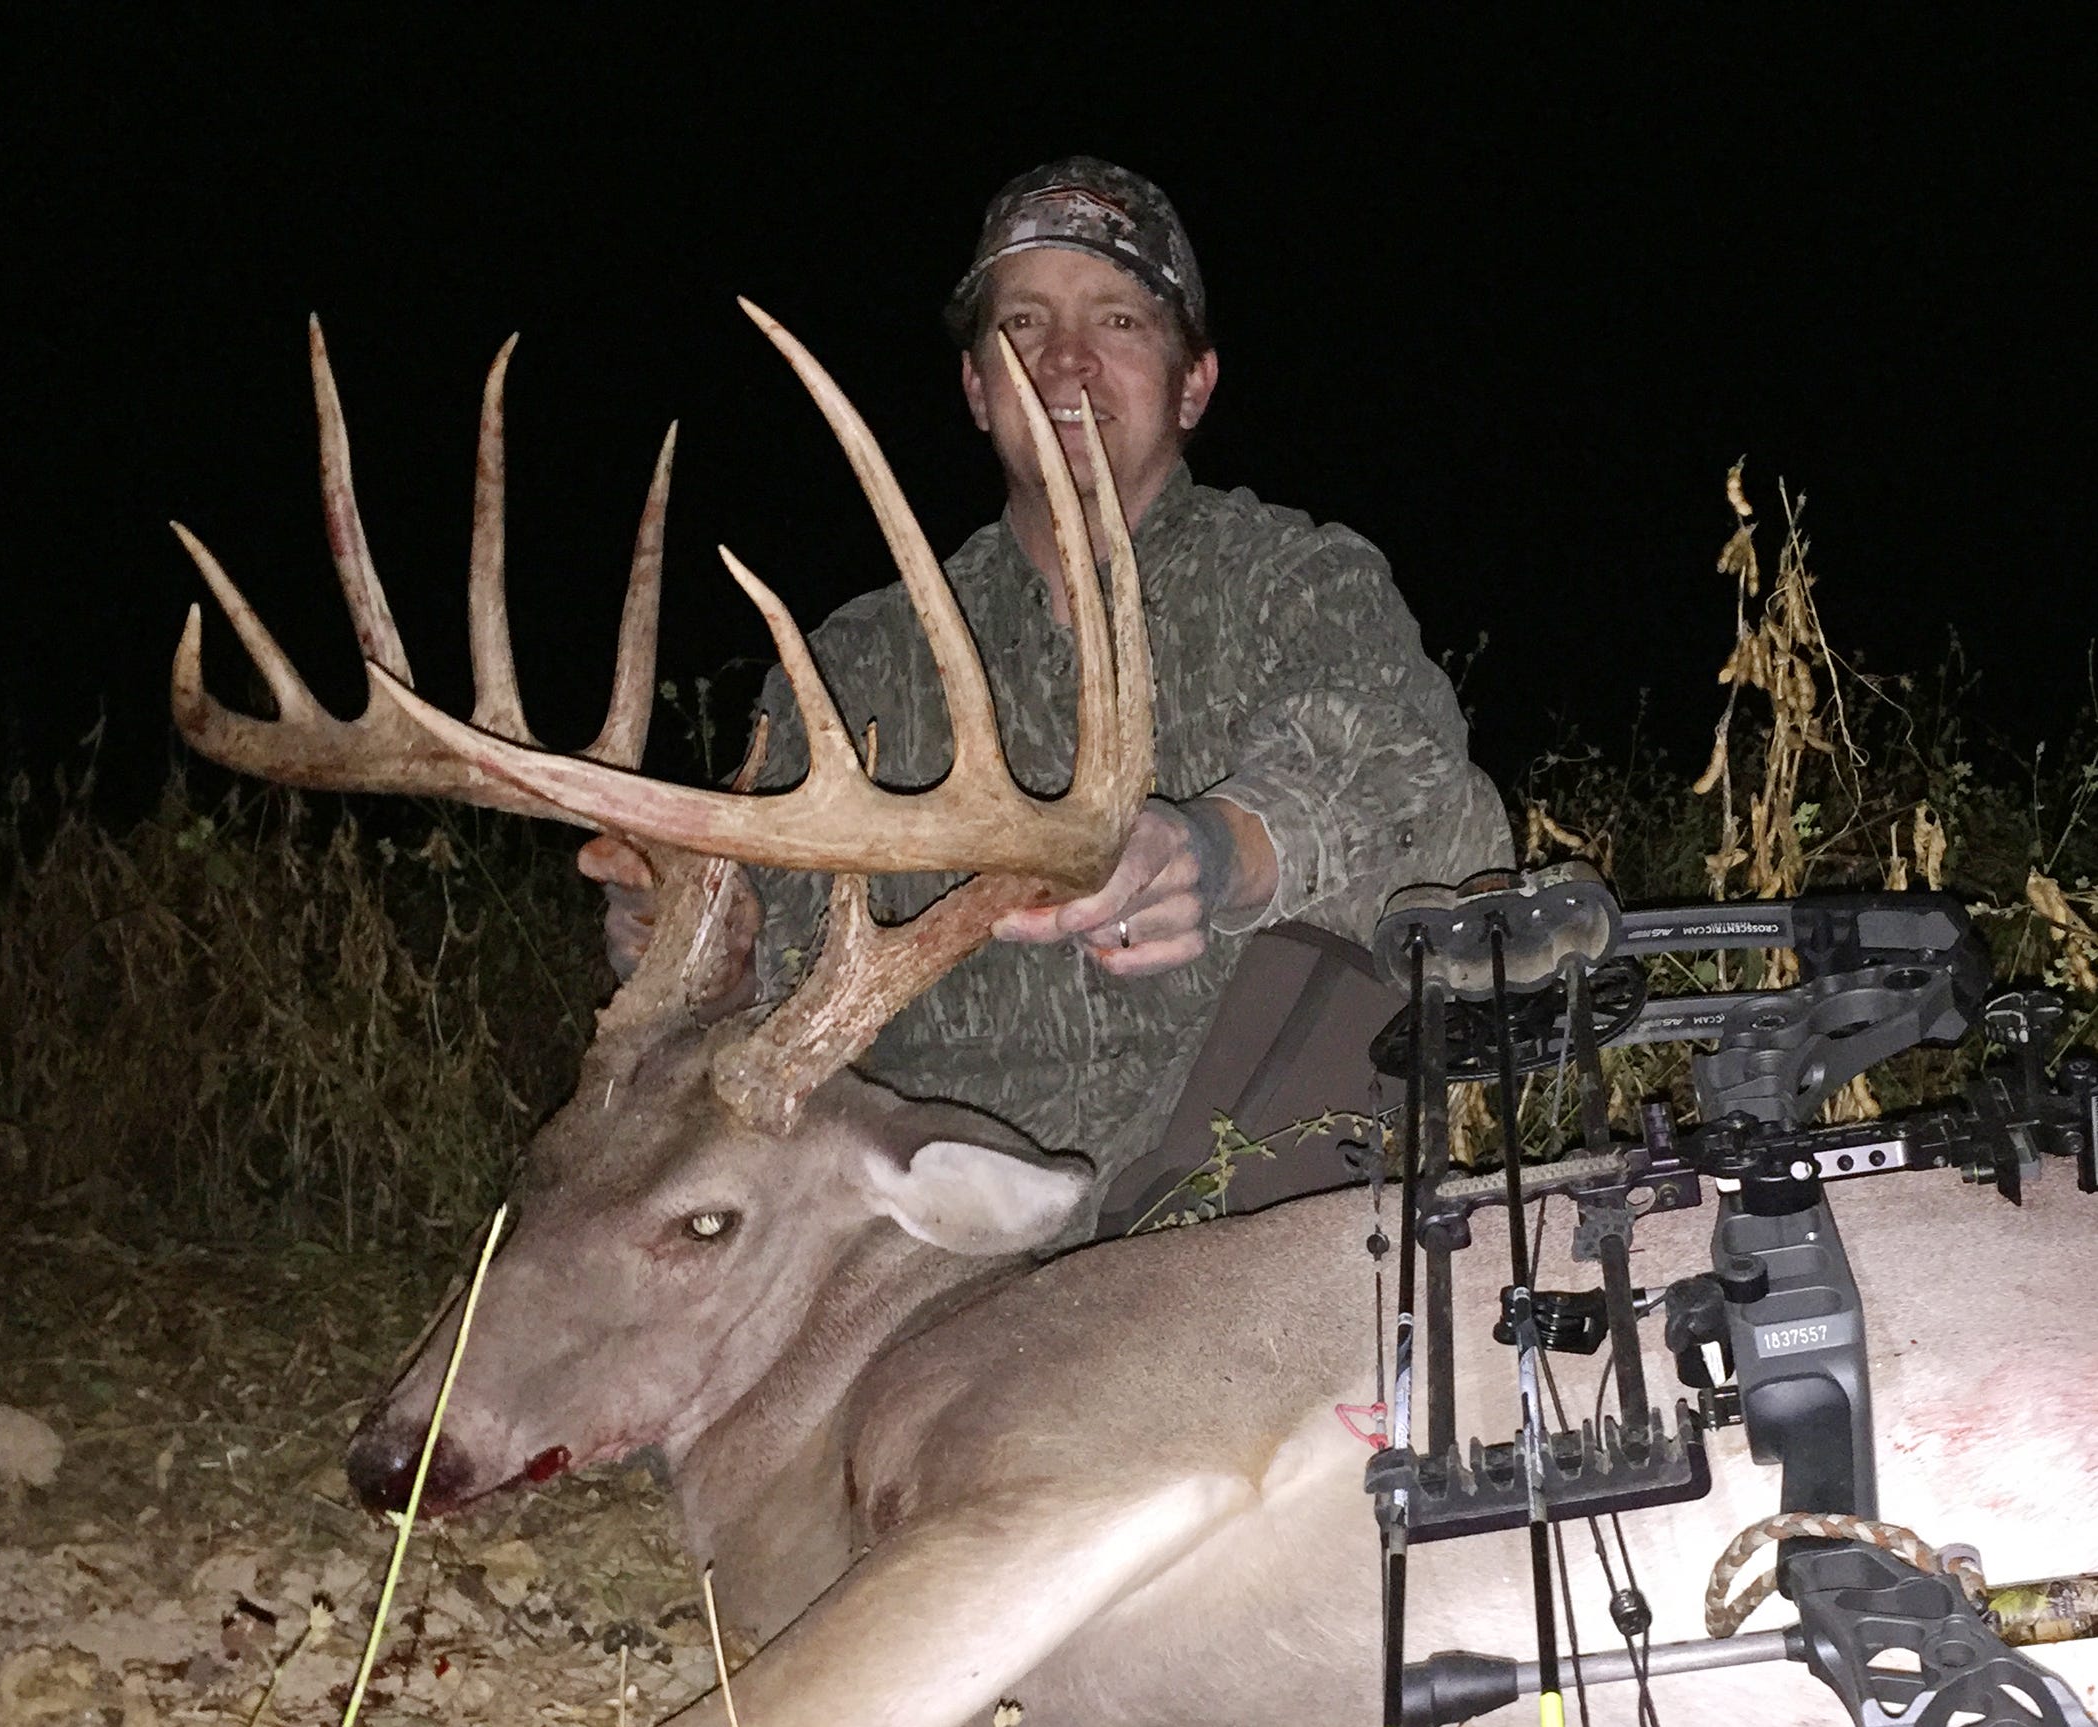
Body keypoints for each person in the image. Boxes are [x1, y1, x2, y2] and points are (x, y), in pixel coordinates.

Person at [584, 156, 1511, 1238]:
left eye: (1118, 320)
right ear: (977, 388)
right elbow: (766, 968)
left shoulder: (1293, 585)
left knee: (1345, 957)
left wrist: (1220, 852)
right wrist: (704, 940)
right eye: (1023, 323)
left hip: (1219, 1200)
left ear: (1194, 384)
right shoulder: (858, 661)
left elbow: (1420, 786)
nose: (1066, 359)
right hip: (923, 1219)